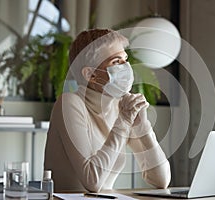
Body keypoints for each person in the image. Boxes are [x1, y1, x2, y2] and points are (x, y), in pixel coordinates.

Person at [44, 28, 171, 192]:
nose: (126, 67)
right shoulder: (69, 103)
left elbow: (161, 180)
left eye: (126, 60)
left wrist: (143, 126)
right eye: (116, 62)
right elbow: (92, 182)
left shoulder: (122, 107)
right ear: (91, 75)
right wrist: (124, 121)